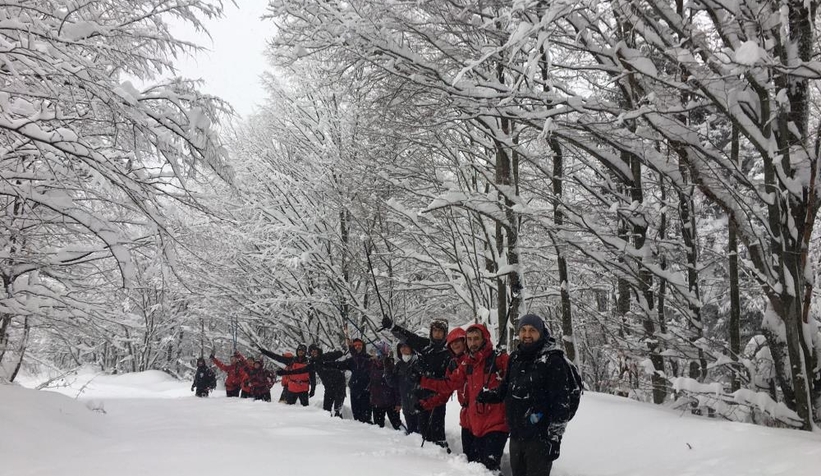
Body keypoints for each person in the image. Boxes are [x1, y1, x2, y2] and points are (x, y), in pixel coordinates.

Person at [477, 314, 582, 476]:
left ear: (541, 332)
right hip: (516, 435)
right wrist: (489, 395)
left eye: (532, 330)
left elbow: (561, 404)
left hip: (539, 439)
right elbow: (505, 389)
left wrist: (555, 438)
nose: (527, 334)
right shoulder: (515, 357)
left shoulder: (552, 361)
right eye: (523, 330)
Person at [421, 324, 509, 472]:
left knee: (488, 466)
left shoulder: (497, 359)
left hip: (495, 420)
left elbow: (515, 381)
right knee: (473, 465)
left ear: (484, 339)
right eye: (470, 339)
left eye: (476, 339)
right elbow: (447, 387)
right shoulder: (465, 364)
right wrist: (423, 389)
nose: (472, 343)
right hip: (471, 421)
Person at [383, 316, 451, 450]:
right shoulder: (425, 345)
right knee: (423, 432)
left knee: (437, 431)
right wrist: (393, 327)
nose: (437, 334)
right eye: (435, 331)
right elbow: (408, 337)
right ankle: (423, 456)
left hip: (439, 397)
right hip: (422, 396)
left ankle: (441, 453)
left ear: (445, 333)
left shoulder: (449, 352)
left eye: (440, 331)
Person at [324, 338, 372, 423]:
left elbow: (361, 360)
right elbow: (339, 365)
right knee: (356, 417)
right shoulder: (352, 360)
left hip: (366, 391)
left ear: (363, 346)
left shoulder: (369, 359)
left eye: (360, 345)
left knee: (366, 417)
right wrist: (325, 364)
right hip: (354, 390)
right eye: (355, 345)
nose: (358, 347)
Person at [369, 341, 403, 430]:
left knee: (397, 427)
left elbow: (396, 387)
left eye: (377, 351)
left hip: (391, 403)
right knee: (378, 428)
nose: (374, 354)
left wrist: (398, 403)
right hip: (377, 402)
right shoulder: (372, 365)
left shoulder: (392, 367)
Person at [309, 344, 347, 416]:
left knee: (337, 410)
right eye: (312, 351)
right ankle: (328, 423)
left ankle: (339, 421)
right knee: (326, 411)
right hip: (328, 388)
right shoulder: (313, 364)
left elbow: (339, 353)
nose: (314, 352)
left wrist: (342, 350)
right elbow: (311, 377)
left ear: (318, 350)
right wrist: (312, 390)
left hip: (340, 386)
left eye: (315, 350)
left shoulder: (326, 356)